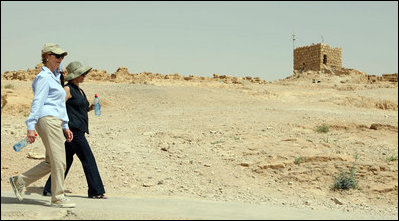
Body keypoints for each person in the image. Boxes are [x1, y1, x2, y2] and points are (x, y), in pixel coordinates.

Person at [9, 43, 75, 208]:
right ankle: (57, 196)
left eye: (62, 57)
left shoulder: (54, 76)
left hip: (55, 120)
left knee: (51, 161)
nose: (61, 59)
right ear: (47, 56)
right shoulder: (44, 77)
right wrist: (30, 126)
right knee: (60, 161)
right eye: (57, 56)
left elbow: (60, 104)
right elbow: (38, 102)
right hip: (47, 119)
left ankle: (19, 181)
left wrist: (65, 125)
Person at [43, 61, 107, 199]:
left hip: (77, 130)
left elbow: (78, 109)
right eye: (81, 74)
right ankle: (96, 191)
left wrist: (90, 108)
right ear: (74, 75)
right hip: (73, 131)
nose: (84, 76)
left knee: (65, 160)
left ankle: (49, 189)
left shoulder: (79, 90)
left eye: (85, 74)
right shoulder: (67, 89)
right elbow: (58, 107)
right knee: (88, 159)